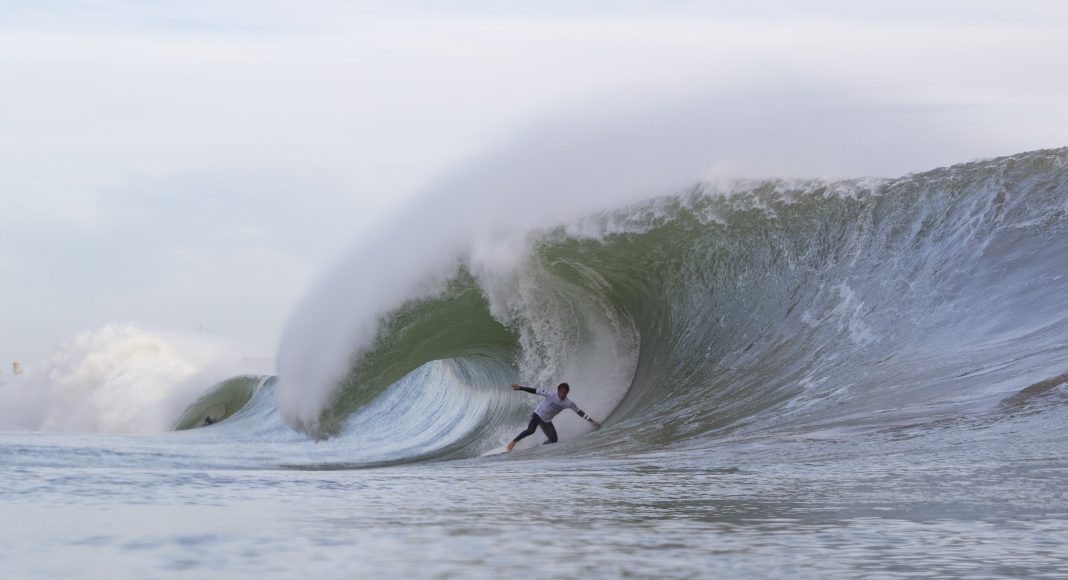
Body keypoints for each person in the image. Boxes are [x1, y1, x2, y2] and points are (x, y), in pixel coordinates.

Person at [506, 382, 600, 451]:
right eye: (561, 392)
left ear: (567, 393)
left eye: (565, 393)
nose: (562, 394)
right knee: (531, 430)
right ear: (558, 391)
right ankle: (513, 442)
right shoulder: (550, 394)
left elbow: (579, 412)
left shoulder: (568, 403)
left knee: (554, 440)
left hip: (546, 420)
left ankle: (540, 448)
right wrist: (520, 388)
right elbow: (535, 391)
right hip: (538, 414)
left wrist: (591, 421)